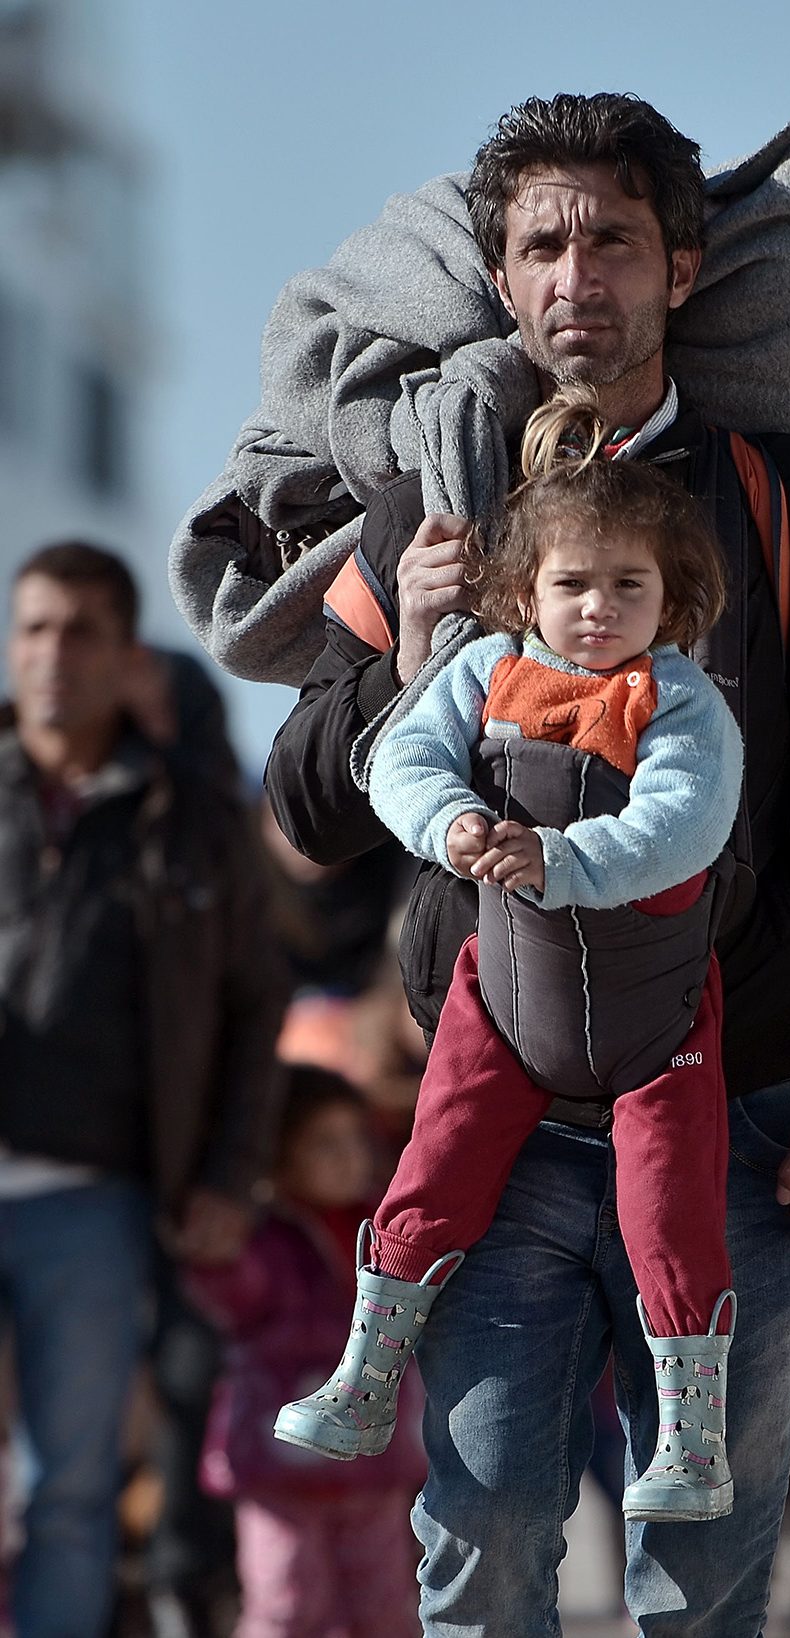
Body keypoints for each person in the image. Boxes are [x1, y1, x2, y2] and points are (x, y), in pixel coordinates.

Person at [265, 93, 790, 1633]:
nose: (579, 273)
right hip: (489, 1121)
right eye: (543, 244)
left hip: (739, 1108)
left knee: (701, 1576)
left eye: (614, 239)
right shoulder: (426, 505)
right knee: (486, 1534)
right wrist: (405, 636)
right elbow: (302, 815)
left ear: (680, 272)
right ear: (501, 283)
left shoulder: (784, 505)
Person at [277, 388, 747, 1521]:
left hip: (656, 1029)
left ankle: (692, 1444)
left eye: (628, 586)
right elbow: (397, 764)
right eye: (573, 585)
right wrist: (454, 827)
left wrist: (560, 860)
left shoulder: (682, 702)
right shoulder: (483, 672)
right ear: (525, 591)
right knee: (429, 1169)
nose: (598, 609)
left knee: (670, 1213)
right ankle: (363, 1379)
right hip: (504, 1007)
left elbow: (683, 823)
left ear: (670, 597)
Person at [0, 541, 287, 1638]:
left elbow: (255, 1010)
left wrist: (227, 1175)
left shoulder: (194, 819)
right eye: (32, 626)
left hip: (98, 1202)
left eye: (78, 630)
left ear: (126, 655)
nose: (50, 653)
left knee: (71, 1496)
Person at [188, 1064, 426, 1638]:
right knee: (287, 1604)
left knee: (385, 1608)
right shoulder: (265, 1241)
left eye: (355, 1140)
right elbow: (234, 1292)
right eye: (325, 1144)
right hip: (281, 1472)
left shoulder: (390, 1231)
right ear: (278, 1157)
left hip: (373, 1467)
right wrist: (214, 1252)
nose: (349, 1157)